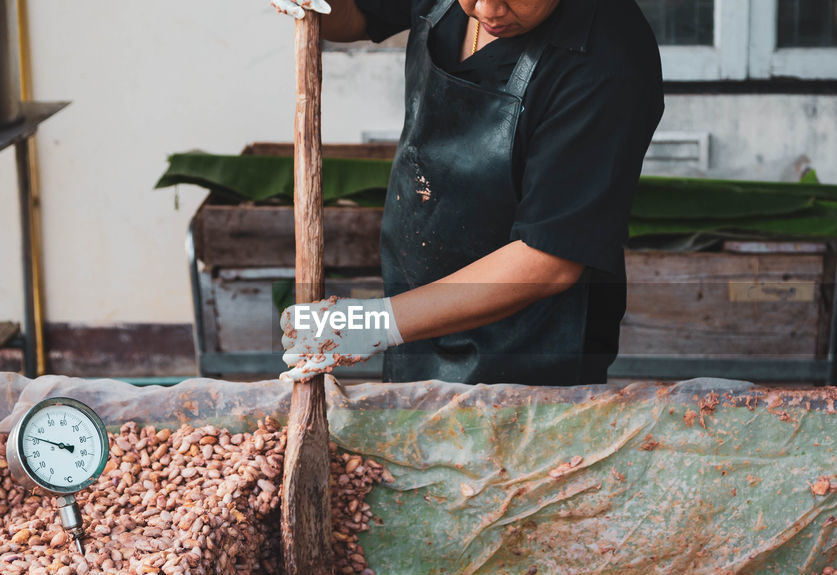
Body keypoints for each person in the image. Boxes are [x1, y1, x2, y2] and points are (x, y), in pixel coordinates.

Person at [275, 0, 664, 386]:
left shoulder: (609, 60)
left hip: (530, 355)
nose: (486, 11)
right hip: (415, 308)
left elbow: (550, 258)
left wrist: (373, 323)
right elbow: (356, 16)